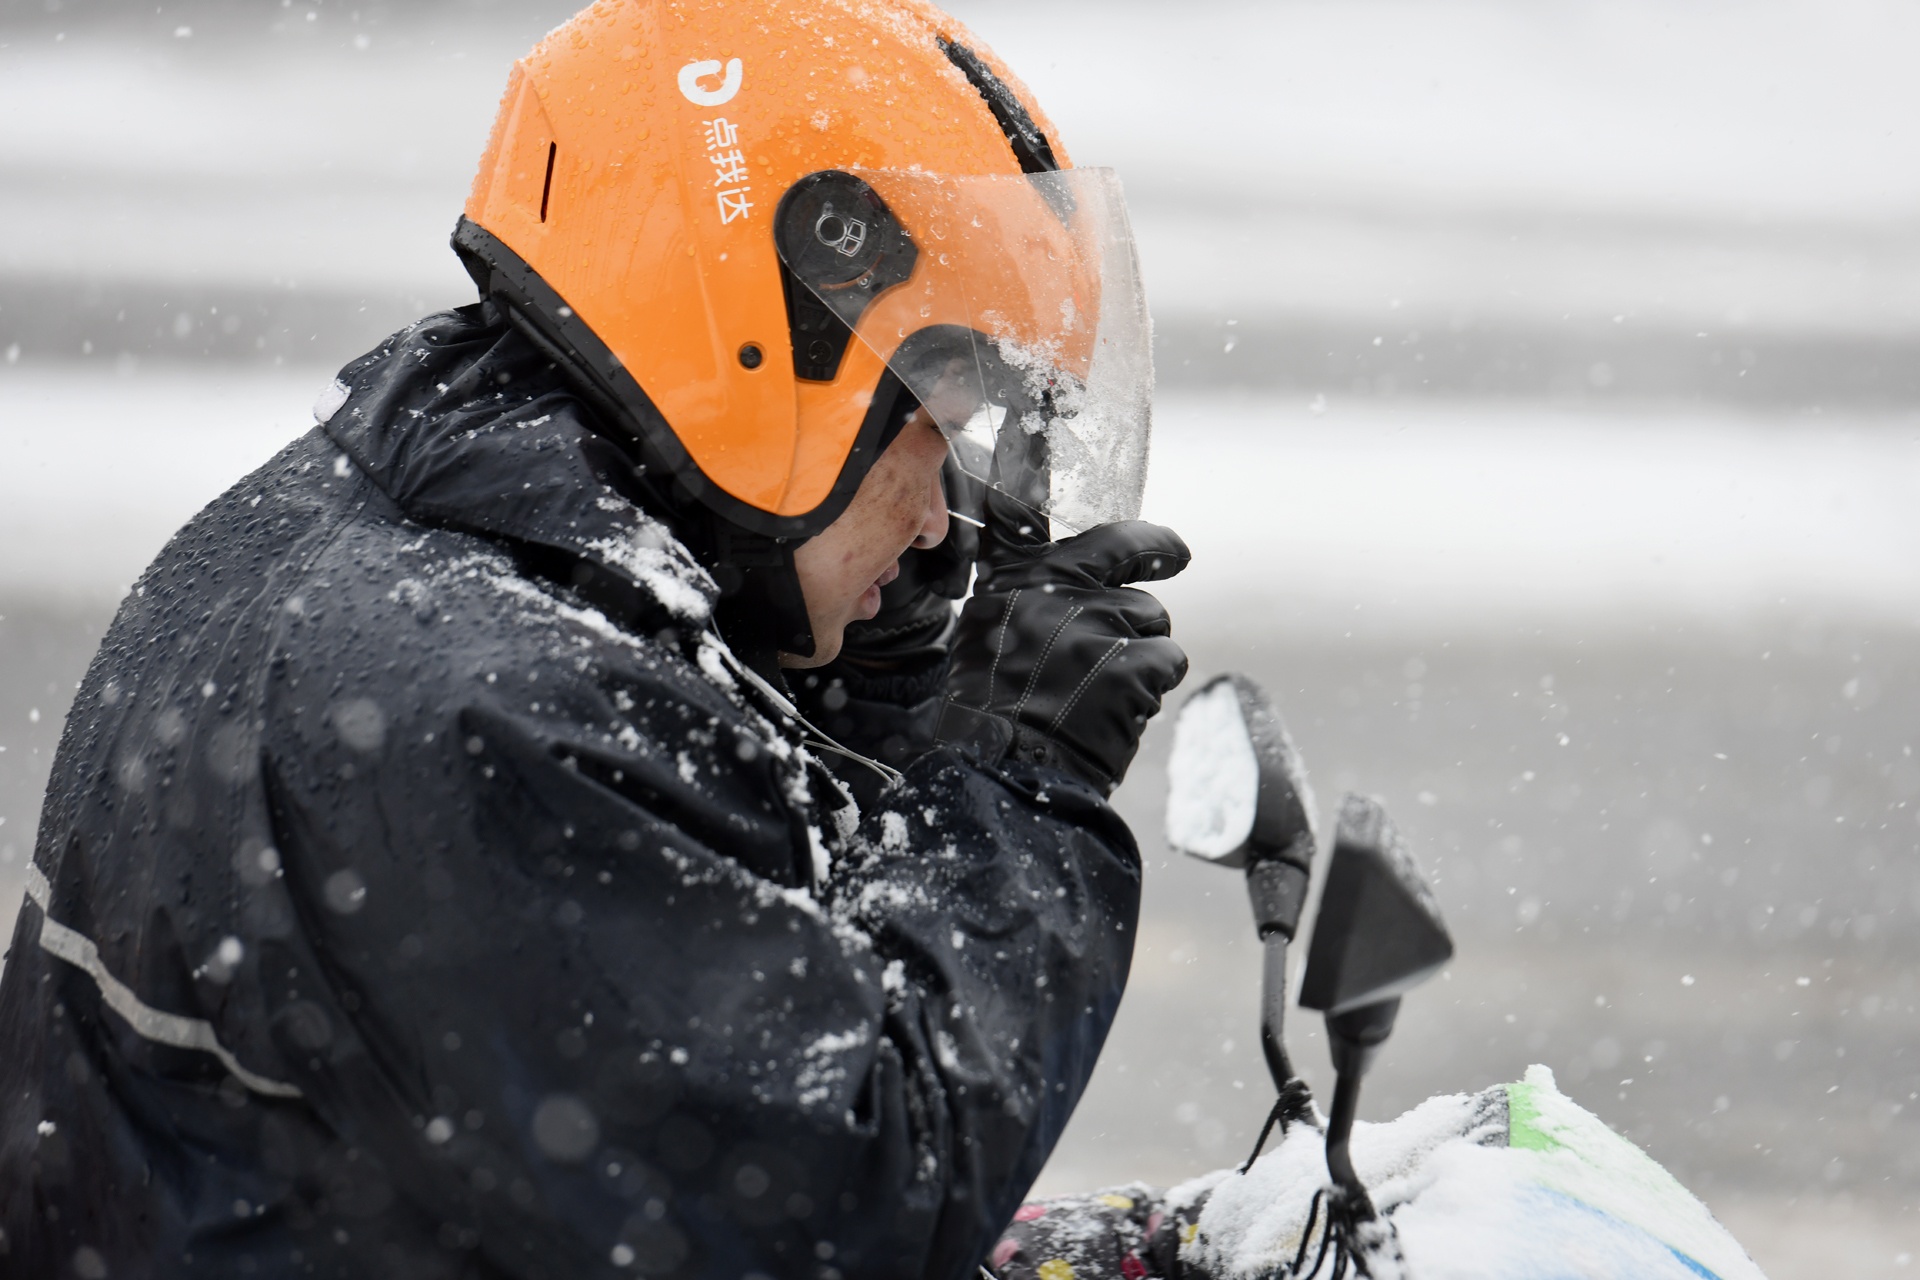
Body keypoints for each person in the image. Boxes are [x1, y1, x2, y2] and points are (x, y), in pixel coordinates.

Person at [0, 2, 1191, 1277]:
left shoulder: (403, 537)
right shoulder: (489, 719)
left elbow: (686, 978)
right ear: (766, 354)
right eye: (939, 424)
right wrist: (1015, 785)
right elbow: (842, 1210)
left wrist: (873, 702)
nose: (955, 507)